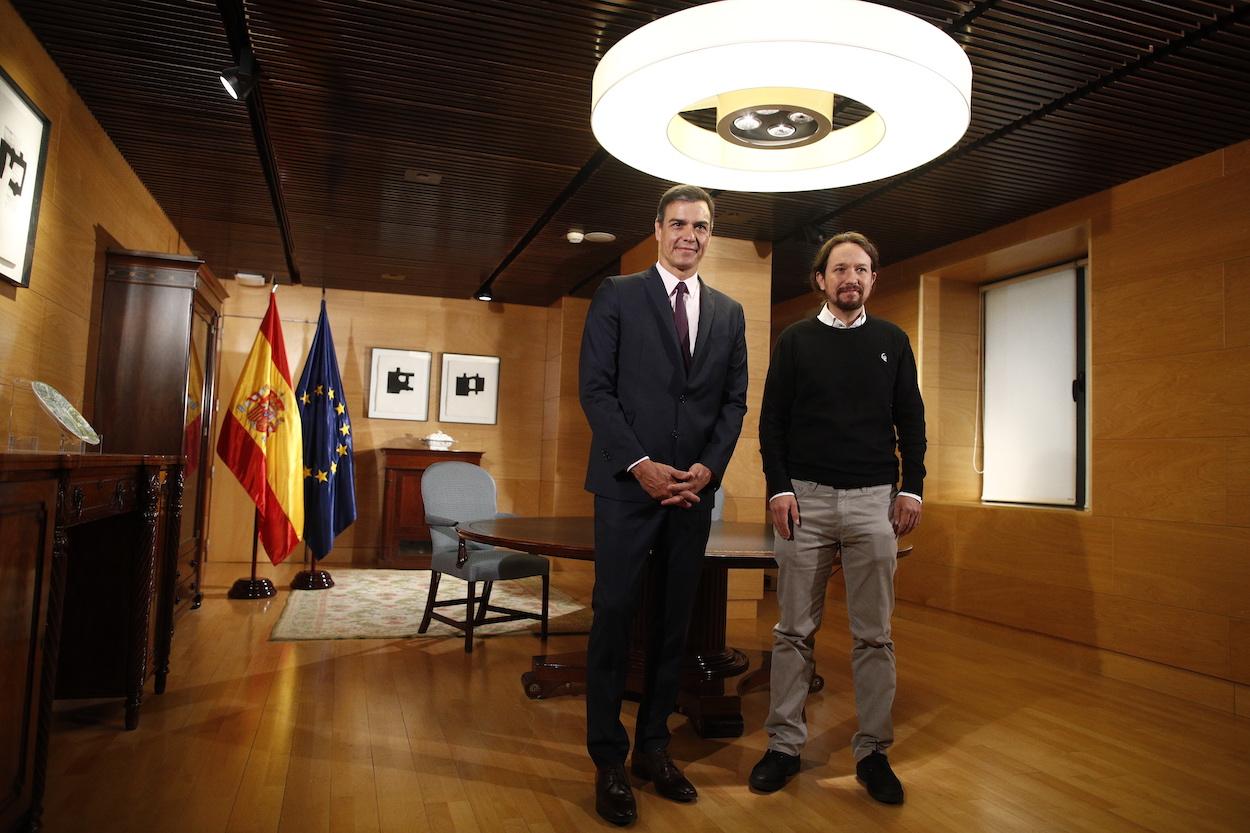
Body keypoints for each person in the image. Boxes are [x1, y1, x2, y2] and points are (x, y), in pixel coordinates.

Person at [579, 184, 748, 825]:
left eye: (701, 226)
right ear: (657, 229)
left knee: (675, 623)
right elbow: (595, 390)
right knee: (615, 618)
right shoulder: (618, 295)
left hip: (692, 492)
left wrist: (708, 468)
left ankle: (654, 747)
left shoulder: (729, 313)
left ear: (710, 234)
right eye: (678, 223)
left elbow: (733, 403)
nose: (689, 235)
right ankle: (608, 760)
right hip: (628, 487)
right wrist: (642, 466)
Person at [750, 231, 925, 805]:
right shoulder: (796, 340)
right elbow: (772, 420)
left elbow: (911, 421)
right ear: (821, 279)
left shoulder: (893, 341)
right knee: (793, 631)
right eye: (840, 268)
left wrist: (913, 490)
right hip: (807, 499)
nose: (852, 277)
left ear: (874, 279)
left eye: (862, 269)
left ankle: (873, 752)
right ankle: (783, 746)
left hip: (876, 499)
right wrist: (778, 488)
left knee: (875, 636)